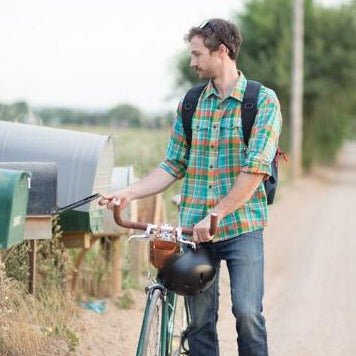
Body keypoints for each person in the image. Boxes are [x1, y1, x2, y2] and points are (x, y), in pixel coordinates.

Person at [100, 18, 282, 356]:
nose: (192, 62)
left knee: (247, 313)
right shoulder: (191, 102)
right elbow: (172, 164)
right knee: (199, 322)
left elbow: (256, 169)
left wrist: (215, 214)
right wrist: (129, 192)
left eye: (197, 54)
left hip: (242, 227)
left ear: (222, 51)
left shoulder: (263, 101)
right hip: (193, 230)